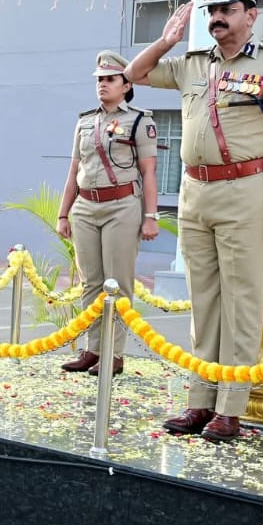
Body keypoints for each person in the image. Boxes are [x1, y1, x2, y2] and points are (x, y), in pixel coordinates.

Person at [123, 0, 263, 443]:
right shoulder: (192, 64)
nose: (217, 18)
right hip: (195, 192)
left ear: (251, 15)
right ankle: (200, 400)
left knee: (241, 301)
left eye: (228, 10)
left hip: (246, 191)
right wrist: (166, 41)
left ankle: (230, 408)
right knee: (203, 301)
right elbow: (134, 75)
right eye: (212, 11)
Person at [55, 50, 161, 375]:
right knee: (91, 282)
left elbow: (149, 171)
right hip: (85, 207)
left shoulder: (140, 121)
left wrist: (151, 216)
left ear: (126, 85)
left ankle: (114, 354)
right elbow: (74, 170)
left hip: (122, 206)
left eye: (110, 79)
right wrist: (63, 214)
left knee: (117, 283)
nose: (102, 84)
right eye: (99, 79)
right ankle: (93, 349)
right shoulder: (85, 121)